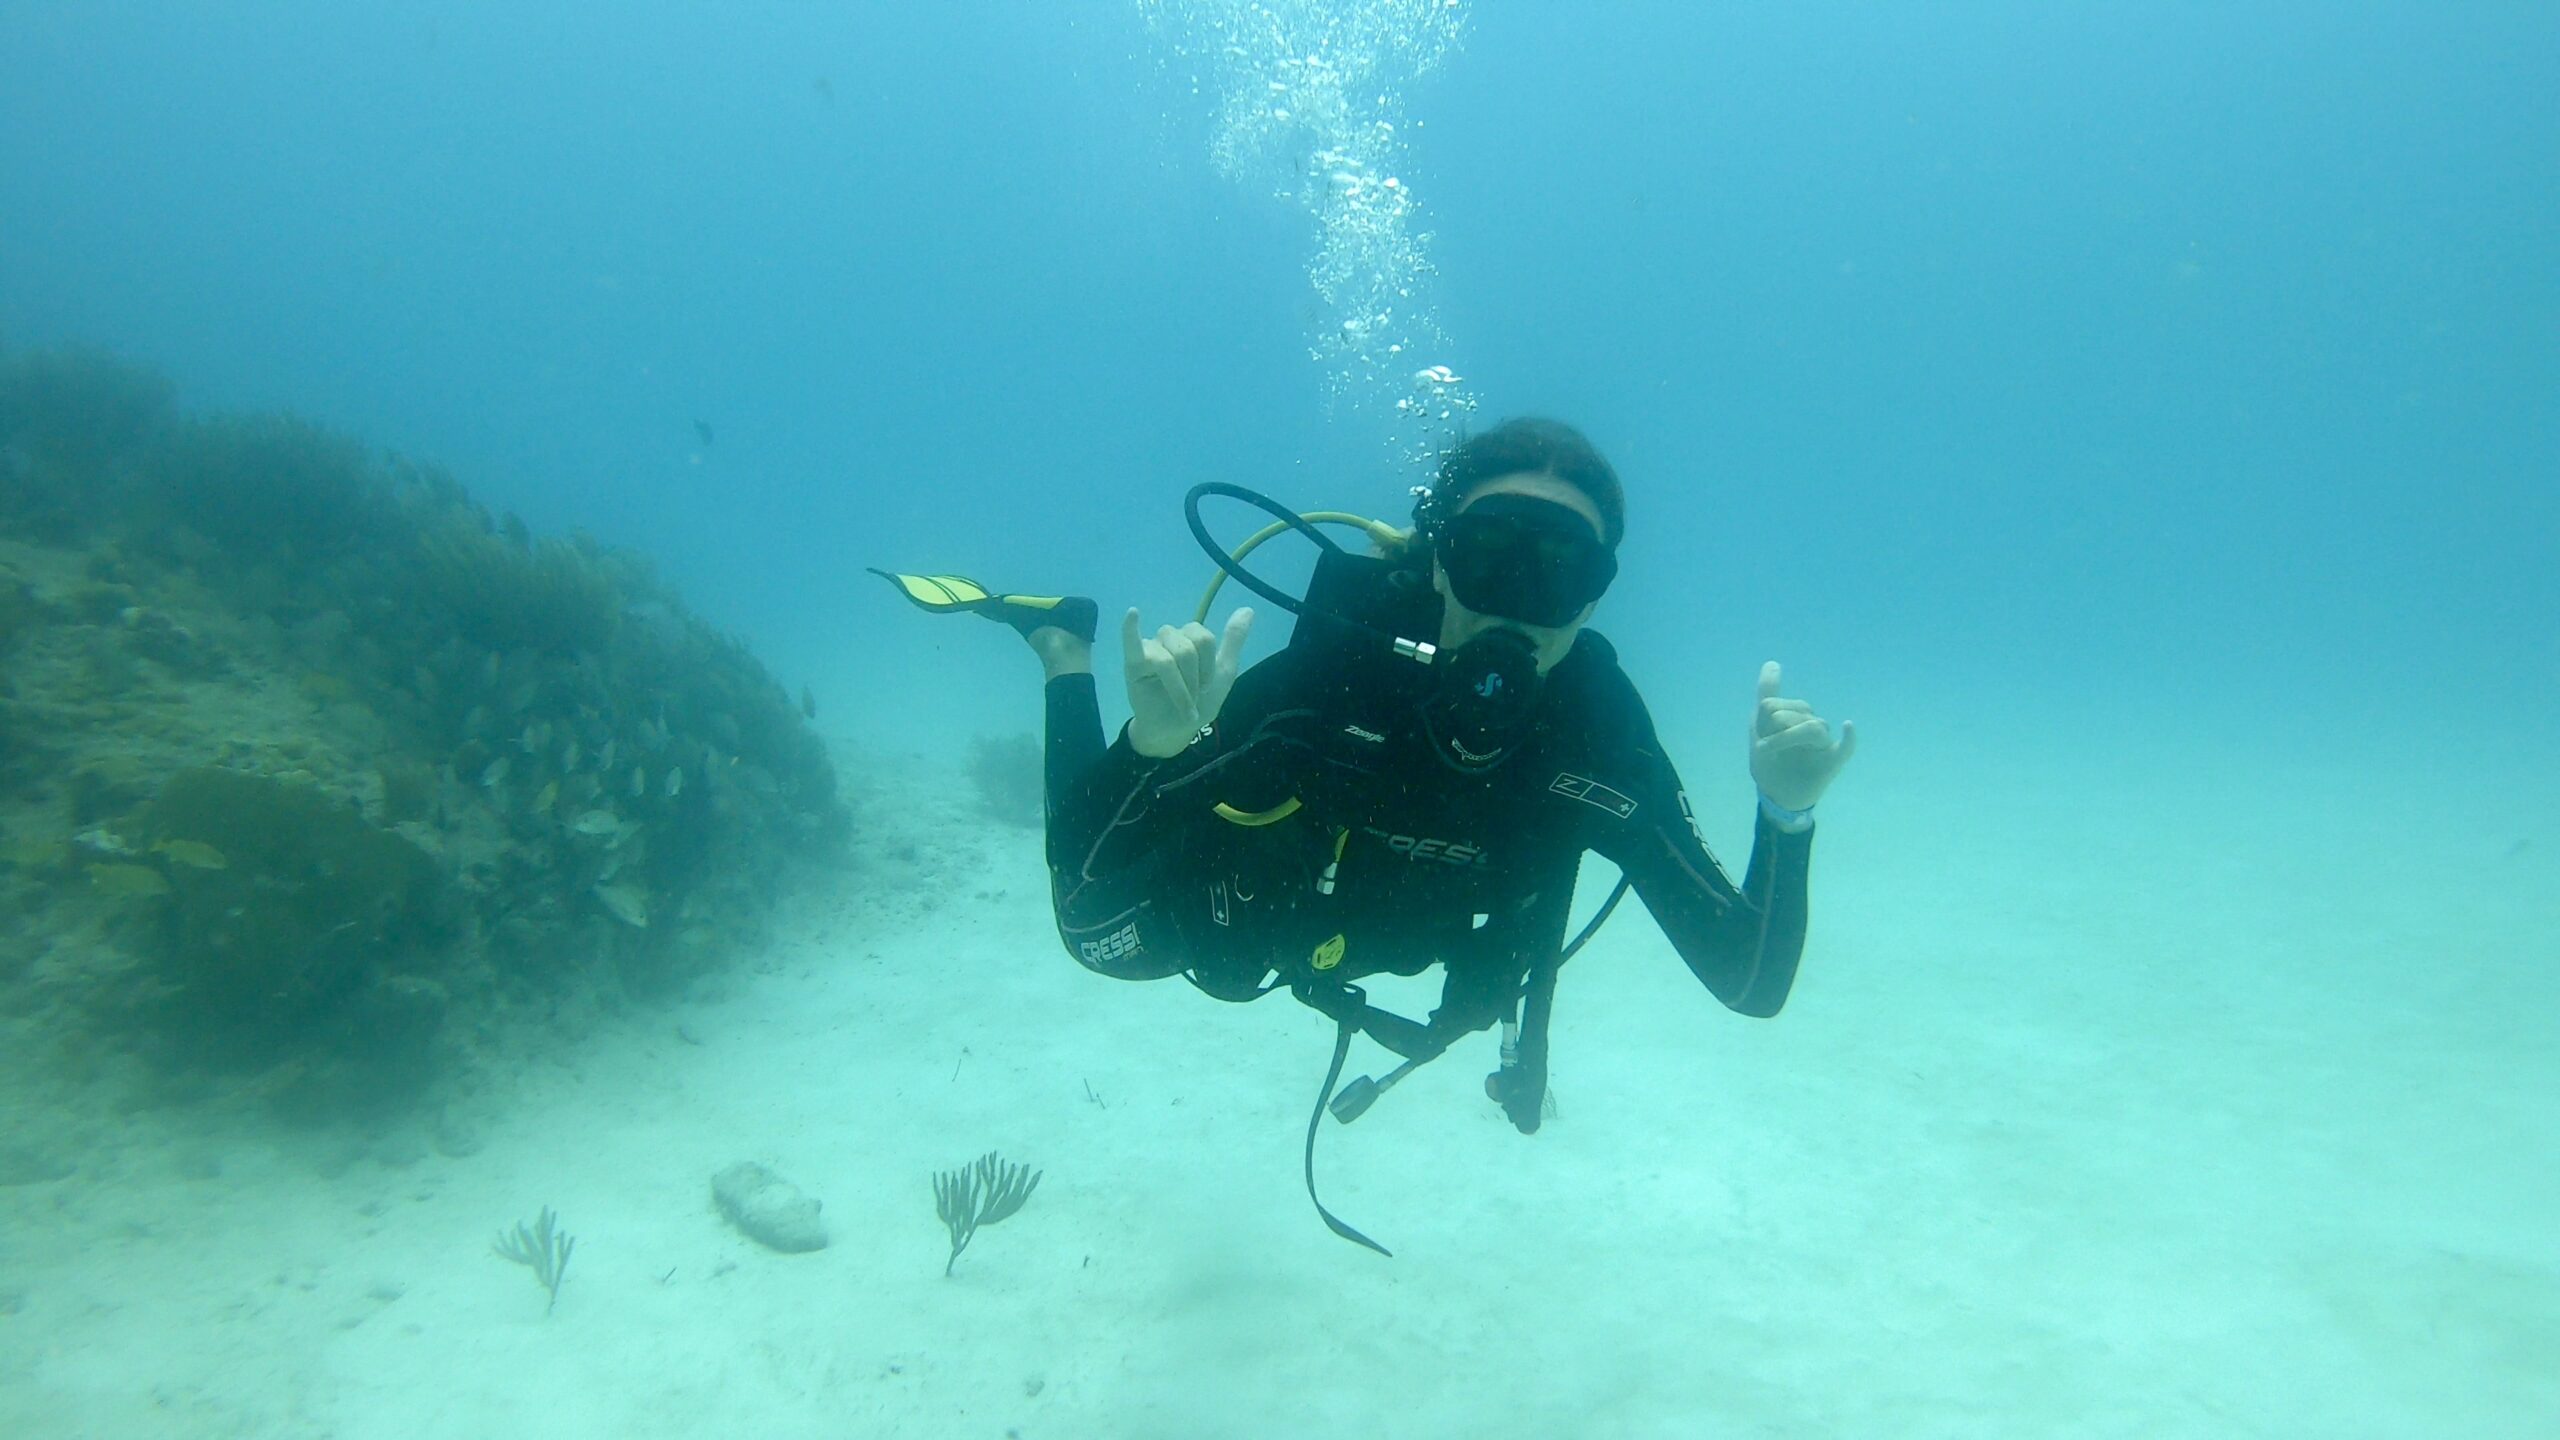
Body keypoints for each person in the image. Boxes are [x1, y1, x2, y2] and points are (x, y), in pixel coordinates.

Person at [875, 418, 1853, 1145]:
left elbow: (1749, 979)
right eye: (1486, 559)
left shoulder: (1596, 736)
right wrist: (1150, 747)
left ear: (1595, 595)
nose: (1516, 607)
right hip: (1246, 916)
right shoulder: (1329, 681)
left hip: (1375, 935)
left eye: (1556, 575)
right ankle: (1060, 648)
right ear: (1438, 564)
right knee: (1099, 945)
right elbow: (1090, 896)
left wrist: (1786, 812)